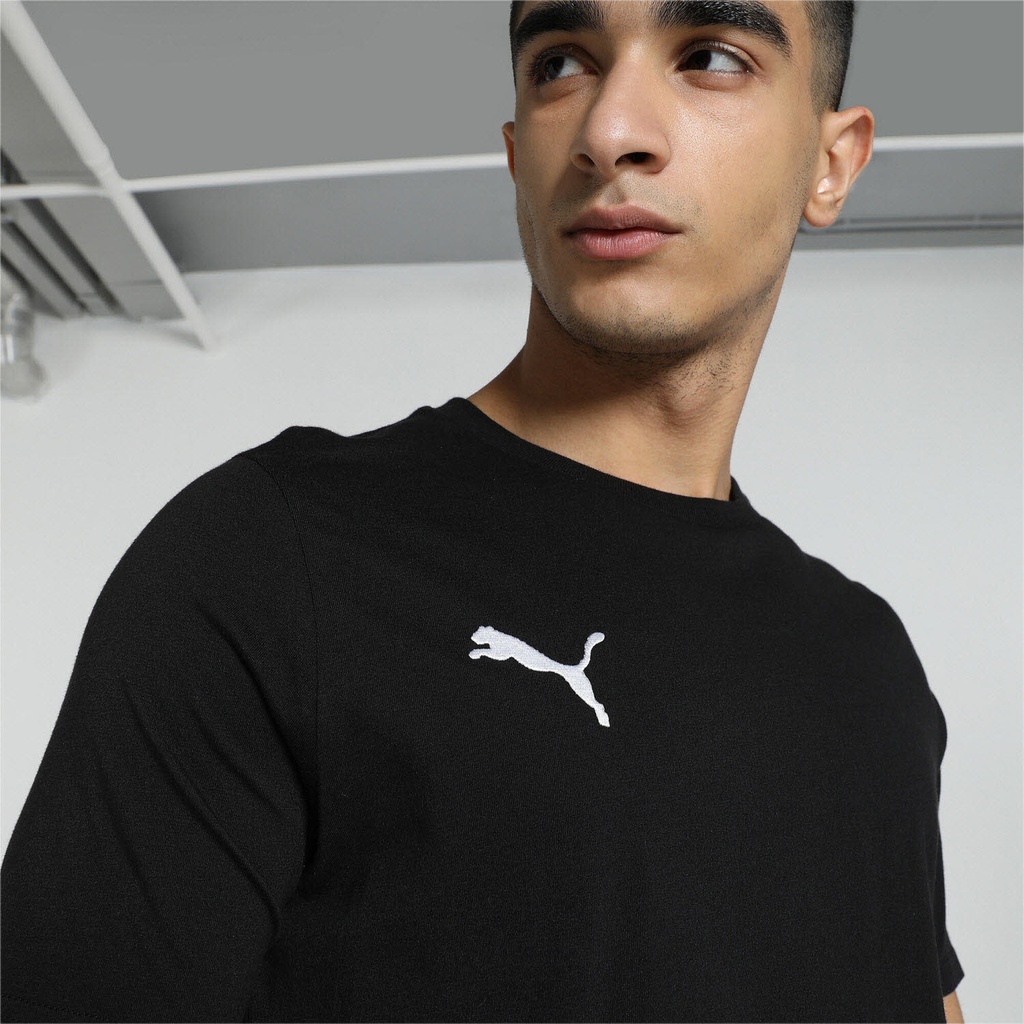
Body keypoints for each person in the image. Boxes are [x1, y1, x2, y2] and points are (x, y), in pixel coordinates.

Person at [1, 1, 966, 1021]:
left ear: (831, 163)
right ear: (515, 156)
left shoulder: (868, 661)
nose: (609, 130)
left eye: (711, 57)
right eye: (562, 63)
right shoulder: (272, 561)